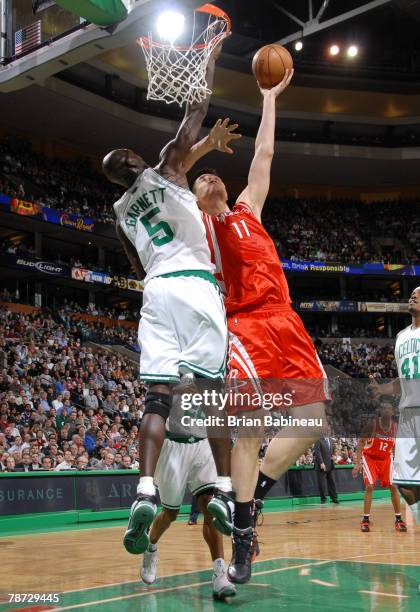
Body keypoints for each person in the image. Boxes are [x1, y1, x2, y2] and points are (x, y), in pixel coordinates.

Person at [189, 69, 329, 583]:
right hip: (245, 327)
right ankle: (243, 539)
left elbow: (264, 156)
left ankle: (252, 502)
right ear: (195, 196)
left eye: (213, 176)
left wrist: (268, 98)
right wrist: (201, 147)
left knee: (312, 420)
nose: (210, 179)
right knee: (250, 431)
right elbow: (173, 173)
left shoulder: (248, 209)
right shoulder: (200, 228)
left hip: (286, 321)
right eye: (201, 180)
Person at [103, 36, 231, 556]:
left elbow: (135, 262)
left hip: (155, 291)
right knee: (211, 394)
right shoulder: (168, 166)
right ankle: (222, 490)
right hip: (195, 285)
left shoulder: (118, 216)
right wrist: (209, 60)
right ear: (136, 159)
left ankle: (144, 489)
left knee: (158, 398)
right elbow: (194, 111)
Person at [139, 396, 235, 599]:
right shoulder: (172, 367)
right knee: (170, 514)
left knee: (210, 506)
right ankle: (151, 545)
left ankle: (219, 571)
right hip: (173, 446)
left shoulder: (213, 369)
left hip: (203, 444)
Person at [370, 286, 420, 523]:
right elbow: (402, 380)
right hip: (407, 413)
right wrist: (383, 389)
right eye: (412, 293)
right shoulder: (401, 336)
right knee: (403, 483)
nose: (413, 295)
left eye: (419, 294)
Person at [352, 402, 407, 532]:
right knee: (370, 486)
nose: (386, 410)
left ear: (393, 412)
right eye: (383, 408)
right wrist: (357, 463)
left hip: (386, 459)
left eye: (388, 408)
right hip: (370, 458)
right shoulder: (372, 425)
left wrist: (398, 461)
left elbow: (395, 446)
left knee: (393, 486)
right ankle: (365, 520)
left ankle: (398, 520)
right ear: (380, 412)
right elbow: (361, 442)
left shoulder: (395, 427)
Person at [313, 437, 339, 505]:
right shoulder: (318, 440)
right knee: (322, 483)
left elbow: (332, 451)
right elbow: (318, 452)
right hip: (322, 465)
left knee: (332, 482)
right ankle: (323, 499)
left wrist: (334, 456)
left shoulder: (331, 440)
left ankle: (334, 498)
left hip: (330, 464)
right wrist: (321, 462)